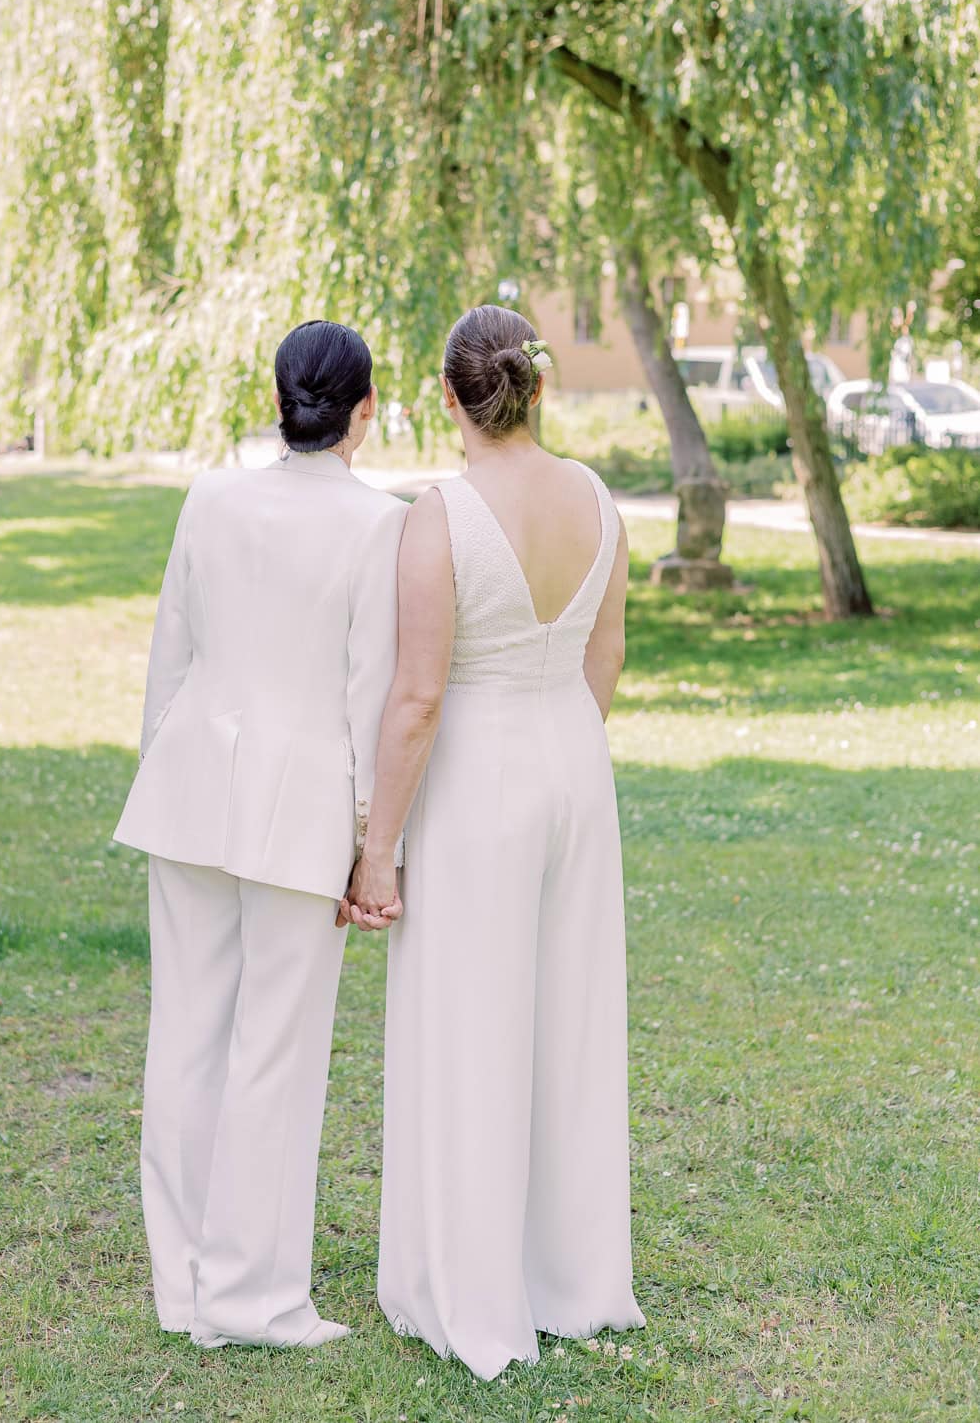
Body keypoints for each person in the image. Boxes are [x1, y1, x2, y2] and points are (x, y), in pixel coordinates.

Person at [344, 303, 645, 1381]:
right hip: (573, 763)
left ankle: (471, 1285)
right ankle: (566, 1275)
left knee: (471, 1020)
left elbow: (418, 697)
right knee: (567, 1019)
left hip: (479, 777)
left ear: (449, 397)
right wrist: (561, 741)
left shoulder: (442, 515)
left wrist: (379, 849)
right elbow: (604, 658)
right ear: (539, 387)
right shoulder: (601, 501)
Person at [114, 321, 406, 1350]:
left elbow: (171, 653)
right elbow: (374, 700)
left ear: (280, 399)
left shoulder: (209, 496)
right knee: (273, 1051)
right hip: (300, 807)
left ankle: (187, 1287)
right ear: (365, 410)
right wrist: (379, 849)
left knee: (185, 1035)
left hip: (191, 784)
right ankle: (251, 1300)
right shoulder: (382, 526)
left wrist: (164, 768)